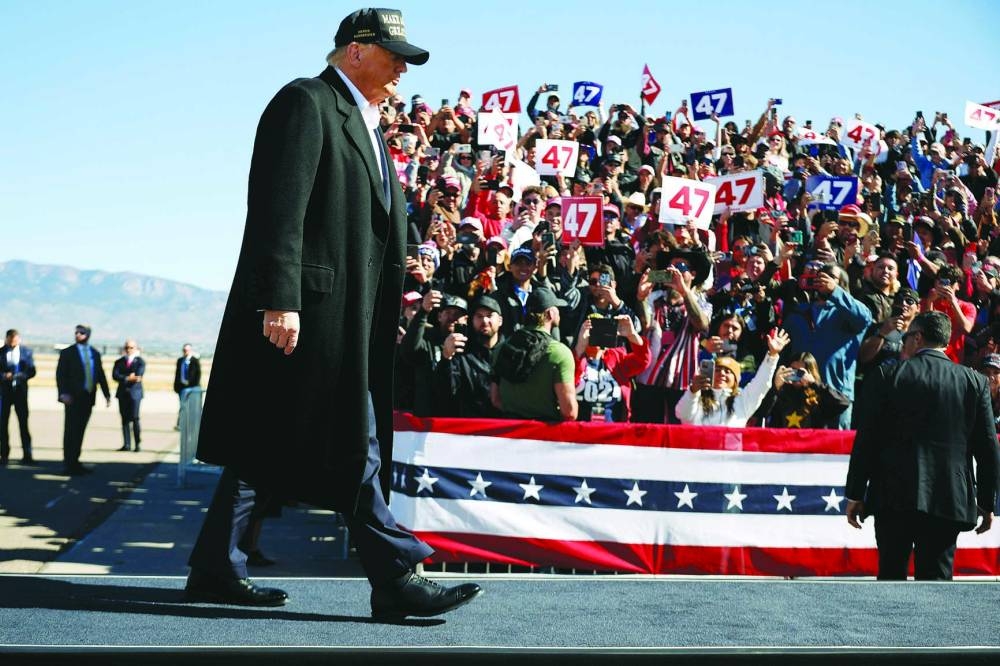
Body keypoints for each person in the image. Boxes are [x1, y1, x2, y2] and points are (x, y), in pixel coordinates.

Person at [185, 8, 481, 619]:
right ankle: (395, 579)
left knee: (261, 440)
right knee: (355, 442)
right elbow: (278, 209)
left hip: (353, 314)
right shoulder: (306, 102)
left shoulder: (369, 124)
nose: (403, 67)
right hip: (310, 314)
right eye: (395, 54)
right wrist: (281, 299)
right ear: (354, 51)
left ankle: (216, 566)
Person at [846, 311, 1000, 580]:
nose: (904, 343)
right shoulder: (974, 382)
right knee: (937, 587)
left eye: (906, 337)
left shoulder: (887, 375)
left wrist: (856, 493)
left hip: (892, 494)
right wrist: (987, 502)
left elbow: (867, 440)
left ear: (917, 338)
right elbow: (988, 449)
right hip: (948, 497)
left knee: (891, 580)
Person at [490, 287, 578, 421]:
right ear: (550, 314)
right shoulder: (560, 353)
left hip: (509, 434)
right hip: (544, 437)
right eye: (557, 308)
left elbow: (495, 399)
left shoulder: (501, 348)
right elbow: (570, 411)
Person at [675, 329, 789, 427]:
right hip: (700, 452)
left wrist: (772, 355)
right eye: (718, 370)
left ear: (736, 381)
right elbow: (682, 415)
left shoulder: (743, 401)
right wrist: (693, 391)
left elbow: (762, 383)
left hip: (731, 452)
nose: (722, 374)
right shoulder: (697, 398)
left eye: (728, 371)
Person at [55, 324, 110, 476]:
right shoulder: (68, 353)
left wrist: (106, 394)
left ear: (88, 335)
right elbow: (60, 375)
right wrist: (62, 393)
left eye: (82, 332)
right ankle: (68, 463)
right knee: (70, 430)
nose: (78, 334)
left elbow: (100, 374)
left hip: (88, 397)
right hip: (72, 398)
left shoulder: (94, 353)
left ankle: (75, 461)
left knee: (80, 431)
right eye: (76, 332)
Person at [0, 329, 37, 465]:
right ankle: (4, 455)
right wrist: (3, 376)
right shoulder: (1, 352)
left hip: (20, 393)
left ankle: (27, 455)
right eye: (10, 339)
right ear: (7, 339)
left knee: (23, 424)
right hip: (4, 393)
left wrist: (19, 376)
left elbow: (32, 371)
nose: (13, 342)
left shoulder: (26, 352)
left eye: (15, 339)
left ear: (19, 339)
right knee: (2, 425)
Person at [111, 339, 145, 452]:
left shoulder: (140, 361)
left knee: (135, 418)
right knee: (124, 419)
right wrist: (127, 377)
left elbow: (138, 376)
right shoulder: (119, 361)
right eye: (126, 348)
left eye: (131, 347)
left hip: (135, 394)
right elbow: (115, 375)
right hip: (122, 394)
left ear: (136, 348)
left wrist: (126, 377)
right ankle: (126, 444)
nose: (129, 350)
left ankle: (137, 444)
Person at [173, 343, 202, 429]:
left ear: (190, 351)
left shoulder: (195, 361)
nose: (186, 352)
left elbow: (198, 375)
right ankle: (180, 424)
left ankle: (193, 425)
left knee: (193, 406)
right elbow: (177, 374)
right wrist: (176, 386)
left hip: (192, 387)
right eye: (184, 350)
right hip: (182, 388)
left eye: (187, 350)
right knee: (183, 406)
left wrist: (194, 386)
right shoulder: (180, 360)